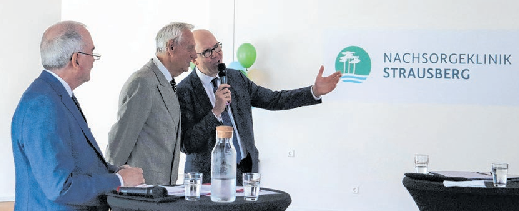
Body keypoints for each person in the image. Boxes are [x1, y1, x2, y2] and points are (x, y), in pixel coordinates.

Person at [177, 29, 342, 184]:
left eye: (217, 47)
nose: (216, 54)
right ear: (193, 58)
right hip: (206, 178)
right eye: (207, 52)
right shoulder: (185, 90)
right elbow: (187, 144)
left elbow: (273, 99)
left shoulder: (236, 78)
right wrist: (216, 111)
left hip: (245, 171)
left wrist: (313, 91)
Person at [11, 21, 144, 210]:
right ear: (76, 60)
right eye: (92, 53)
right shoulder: (43, 104)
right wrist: (118, 180)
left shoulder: (55, 95)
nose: (93, 61)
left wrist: (116, 172)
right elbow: (61, 187)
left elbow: (79, 164)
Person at [105, 22, 197, 185]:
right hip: (141, 194)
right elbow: (119, 144)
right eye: (190, 48)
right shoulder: (143, 82)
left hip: (161, 192)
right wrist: (109, 189)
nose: (194, 55)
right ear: (171, 47)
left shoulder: (166, 82)